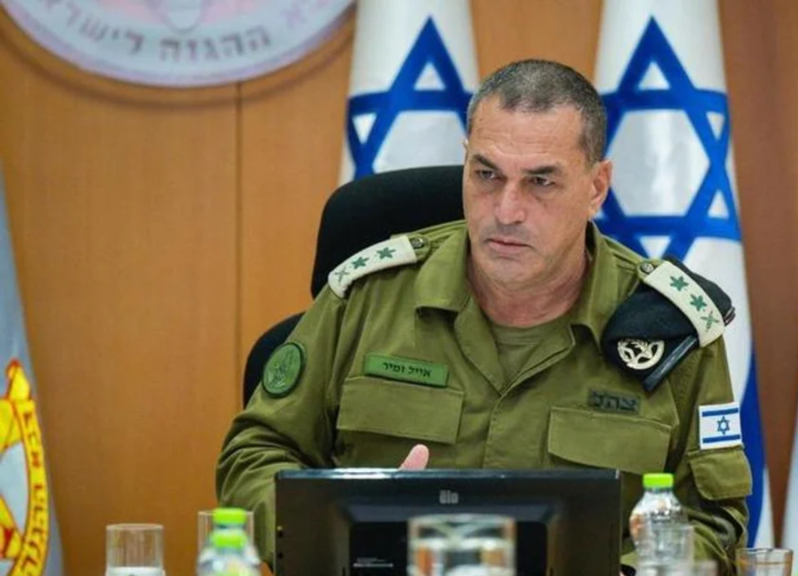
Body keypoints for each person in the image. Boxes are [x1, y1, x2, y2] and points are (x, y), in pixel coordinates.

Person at [216, 59, 751, 574]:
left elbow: (713, 519)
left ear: (596, 188)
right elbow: (256, 453)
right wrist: (344, 541)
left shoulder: (672, 332)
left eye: (541, 182)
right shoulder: (369, 297)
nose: (506, 211)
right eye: (487, 174)